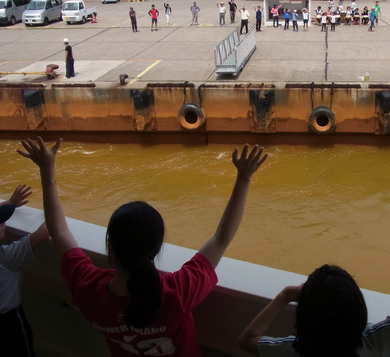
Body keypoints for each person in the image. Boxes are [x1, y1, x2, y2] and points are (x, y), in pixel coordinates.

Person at [18, 137, 267, 357]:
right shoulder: (176, 292)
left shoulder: (88, 289)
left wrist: (47, 172)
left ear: (111, 250)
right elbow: (222, 237)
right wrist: (243, 178)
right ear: (157, 248)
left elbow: (59, 231)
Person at [239, 182, 390, 356]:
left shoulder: (294, 350)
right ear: (359, 310)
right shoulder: (377, 344)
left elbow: (247, 339)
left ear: (304, 322)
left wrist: (284, 296)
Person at [1, 184, 50, 357]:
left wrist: (10, 202)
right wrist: (53, 202)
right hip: (8, 321)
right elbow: (45, 231)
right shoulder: (5, 258)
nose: (4, 222)